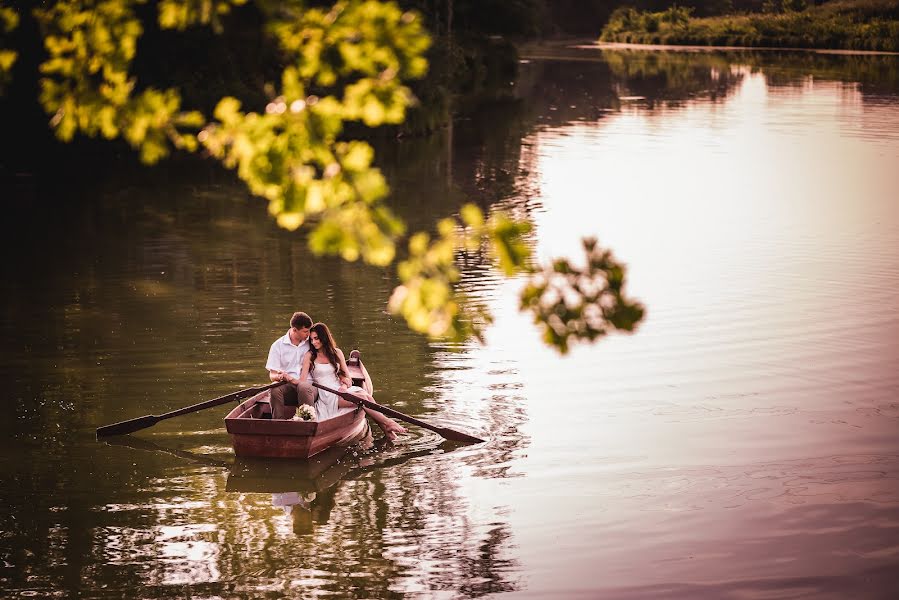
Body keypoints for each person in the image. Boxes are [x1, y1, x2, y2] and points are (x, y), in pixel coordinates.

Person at [300, 322, 406, 440]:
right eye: (311, 339)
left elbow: (347, 377)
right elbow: (302, 381)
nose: (314, 342)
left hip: (340, 388)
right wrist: (288, 379)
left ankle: (387, 428)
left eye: (316, 338)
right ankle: (387, 423)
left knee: (365, 396)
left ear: (324, 337)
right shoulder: (310, 355)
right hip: (327, 394)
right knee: (364, 399)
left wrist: (344, 387)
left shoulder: (336, 353)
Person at [265, 311, 316, 419]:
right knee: (274, 390)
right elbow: (272, 375)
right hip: (287, 385)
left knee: (303, 386)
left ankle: (307, 423)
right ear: (294, 330)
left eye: (309, 331)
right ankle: (278, 424)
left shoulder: (311, 343)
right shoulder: (277, 346)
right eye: (305, 331)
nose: (308, 334)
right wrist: (279, 377)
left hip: (309, 387)